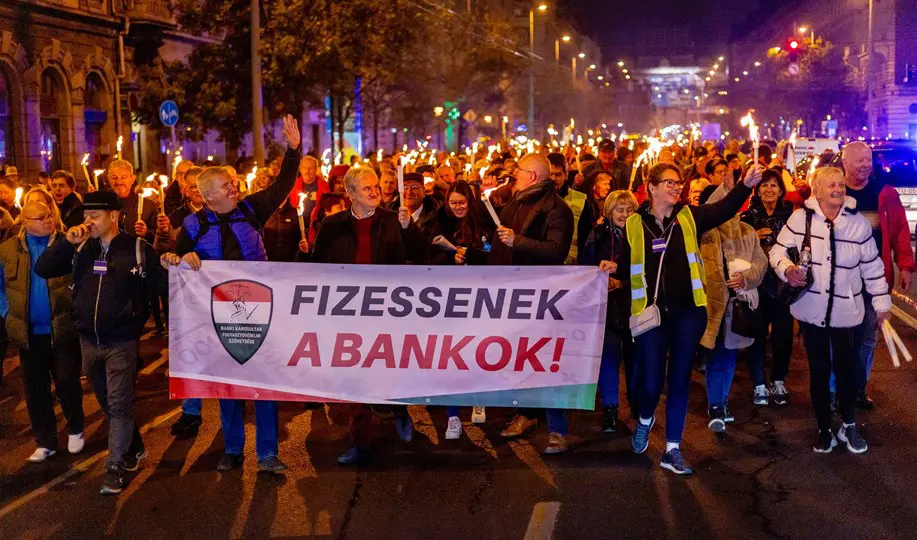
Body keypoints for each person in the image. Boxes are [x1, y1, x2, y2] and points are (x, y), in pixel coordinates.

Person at [160, 115, 302, 473]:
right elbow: (176, 263)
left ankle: (268, 453)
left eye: (233, 183)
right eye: (226, 185)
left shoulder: (252, 209)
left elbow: (284, 184)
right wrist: (179, 258)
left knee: (266, 386)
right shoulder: (193, 225)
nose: (234, 188)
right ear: (207, 196)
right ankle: (234, 449)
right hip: (218, 318)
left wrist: (293, 150)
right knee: (229, 387)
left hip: (262, 311)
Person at [614, 162, 763, 475]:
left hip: (688, 313)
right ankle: (644, 419)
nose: (675, 187)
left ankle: (672, 449)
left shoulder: (689, 216)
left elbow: (723, 209)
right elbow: (628, 267)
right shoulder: (633, 224)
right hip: (650, 316)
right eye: (668, 182)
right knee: (652, 383)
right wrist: (611, 271)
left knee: (679, 380)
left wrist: (745, 185)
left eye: (678, 182)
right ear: (651, 186)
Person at [35, 190, 165, 495]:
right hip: (88, 341)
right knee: (107, 403)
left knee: (119, 405)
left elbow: (162, 285)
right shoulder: (81, 248)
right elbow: (43, 269)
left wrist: (171, 257)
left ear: (114, 216)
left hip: (122, 340)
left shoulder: (136, 248)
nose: (88, 222)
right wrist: (67, 243)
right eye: (85, 216)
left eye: (94, 216)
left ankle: (114, 468)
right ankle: (134, 449)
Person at [769, 167, 890, 454]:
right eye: (832, 185)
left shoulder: (858, 224)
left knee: (848, 373)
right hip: (812, 313)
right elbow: (777, 251)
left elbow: (872, 266)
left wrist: (882, 301)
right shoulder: (800, 219)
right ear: (817, 190)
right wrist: (787, 269)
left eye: (840, 184)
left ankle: (849, 426)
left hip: (849, 313)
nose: (839, 189)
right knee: (820, 373)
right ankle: (824, 430)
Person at [310, 165, 425, 465]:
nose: (375, 192)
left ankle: (399, 410)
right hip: (347, 315)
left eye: (376, 186)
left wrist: (408, 227)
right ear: (349, 194)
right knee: (354, 379)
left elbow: (421, 254)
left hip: (387, 312)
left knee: (388, 372)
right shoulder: (332, 225)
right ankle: (360, 442)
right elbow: (315, 267)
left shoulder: (392, 220)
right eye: (367, 188)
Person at [489, 153, 574, 455]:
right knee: (519, 359)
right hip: (512, 294)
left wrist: (518, 241)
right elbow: (498, 247)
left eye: (520, 171)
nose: (514, 175)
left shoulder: (557, 210)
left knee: (547, 363)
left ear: (534, 176)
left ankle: (557, 430)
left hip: (542, 296)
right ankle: (525, 414)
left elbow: (555, 251)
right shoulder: (514, 203)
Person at [0, 201, 85, 463]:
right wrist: (6, 314)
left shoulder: (67, 244)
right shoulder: (7, 249)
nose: (47, 221)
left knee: (67, 381)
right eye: (39, 218)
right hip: (28, 332)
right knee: (35, 389)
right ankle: (45, 441)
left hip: (62, 328)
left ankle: (75, 429)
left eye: (49, 216)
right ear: (24, 222)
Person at [841, 141, 913, 409]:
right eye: (858, 160)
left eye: (867, 160)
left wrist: (905, 266)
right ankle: (838, 388)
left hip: (875, 281)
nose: (864, 165)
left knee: (867, 338)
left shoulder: (885, 194)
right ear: (844, 164)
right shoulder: (835, 193)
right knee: (841, 336)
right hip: (841, 281)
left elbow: (900, 233)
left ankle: (858, 387)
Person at [698, 184, 768, 433]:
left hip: (737, 306)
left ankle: (720, 401)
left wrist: (747, 277)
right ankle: (716, 405)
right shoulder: (704, 231)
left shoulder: (747, 231)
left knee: (728, 356)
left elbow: (761, 261)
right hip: (710, 305)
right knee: (716, 355)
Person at [583, 190, 637, 430]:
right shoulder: (597, 235)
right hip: (606, 307)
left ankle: (637, 404)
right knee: (609, 359)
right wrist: (604, 281)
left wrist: (623, 281)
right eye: (619, 209)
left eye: (629, 209)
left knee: (637, 360)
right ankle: (610, 409)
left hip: (636, 305)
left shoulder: (642, 235)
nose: (625, 214)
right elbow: (585, 267)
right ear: (608, 212)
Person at [741, 170, 795, 406]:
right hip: (757, 284)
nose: (769, 190)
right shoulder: (747, 217)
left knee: (783, 335)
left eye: (774, 185)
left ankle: (779, 379)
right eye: (764, 186)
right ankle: (759, 383)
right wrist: (753, 235)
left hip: (782, 284)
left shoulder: (792, 215)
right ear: (757, 190)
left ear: (781, 190)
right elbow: (736, 247)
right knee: (757, 334)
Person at [547, 152, 592, 264]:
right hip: (543, 265)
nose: (553, 179)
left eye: (558, 175)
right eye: (550, 174)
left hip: (571, 266)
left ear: (566, 175)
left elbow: (587, 238)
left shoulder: (581, 201)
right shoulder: (535, 200)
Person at [107, 159, 158, 243]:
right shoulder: (102, 205)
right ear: (108, 179)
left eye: (123, 177)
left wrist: (146, 233)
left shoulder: (148, 206)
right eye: (114, 178)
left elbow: (159, 238)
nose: (119, 182)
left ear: (132, 179)